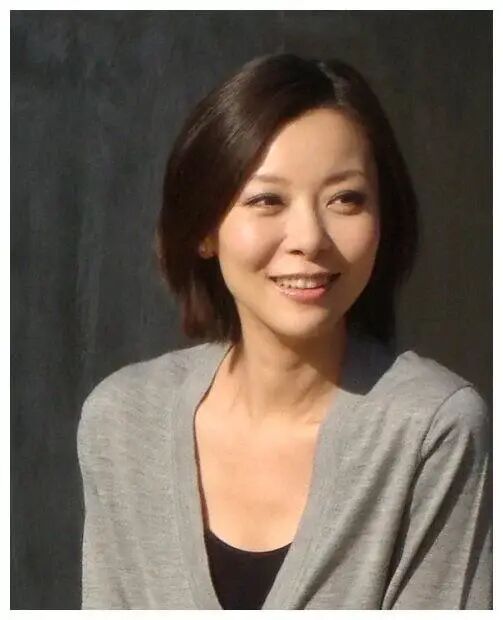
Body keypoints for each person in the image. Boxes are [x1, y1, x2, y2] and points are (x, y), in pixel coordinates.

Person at [77, 53, 491, 610]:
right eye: (267, 200)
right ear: (205, 228)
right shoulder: (124, 423)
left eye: (346, 199)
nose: (310, 238)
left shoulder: (431, 429)